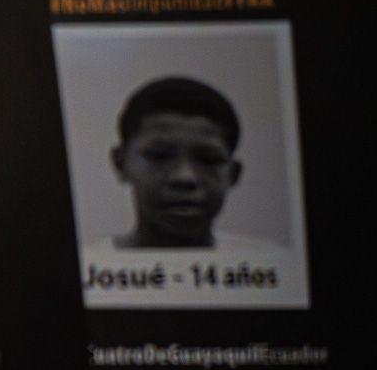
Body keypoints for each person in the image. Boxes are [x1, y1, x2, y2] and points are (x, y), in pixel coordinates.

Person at [102, 75, 266, 249]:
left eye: (209, 160)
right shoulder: (91, 266)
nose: (185, 177)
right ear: (121, 164)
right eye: (159, 156)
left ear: (233, 174)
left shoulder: (262, 265)